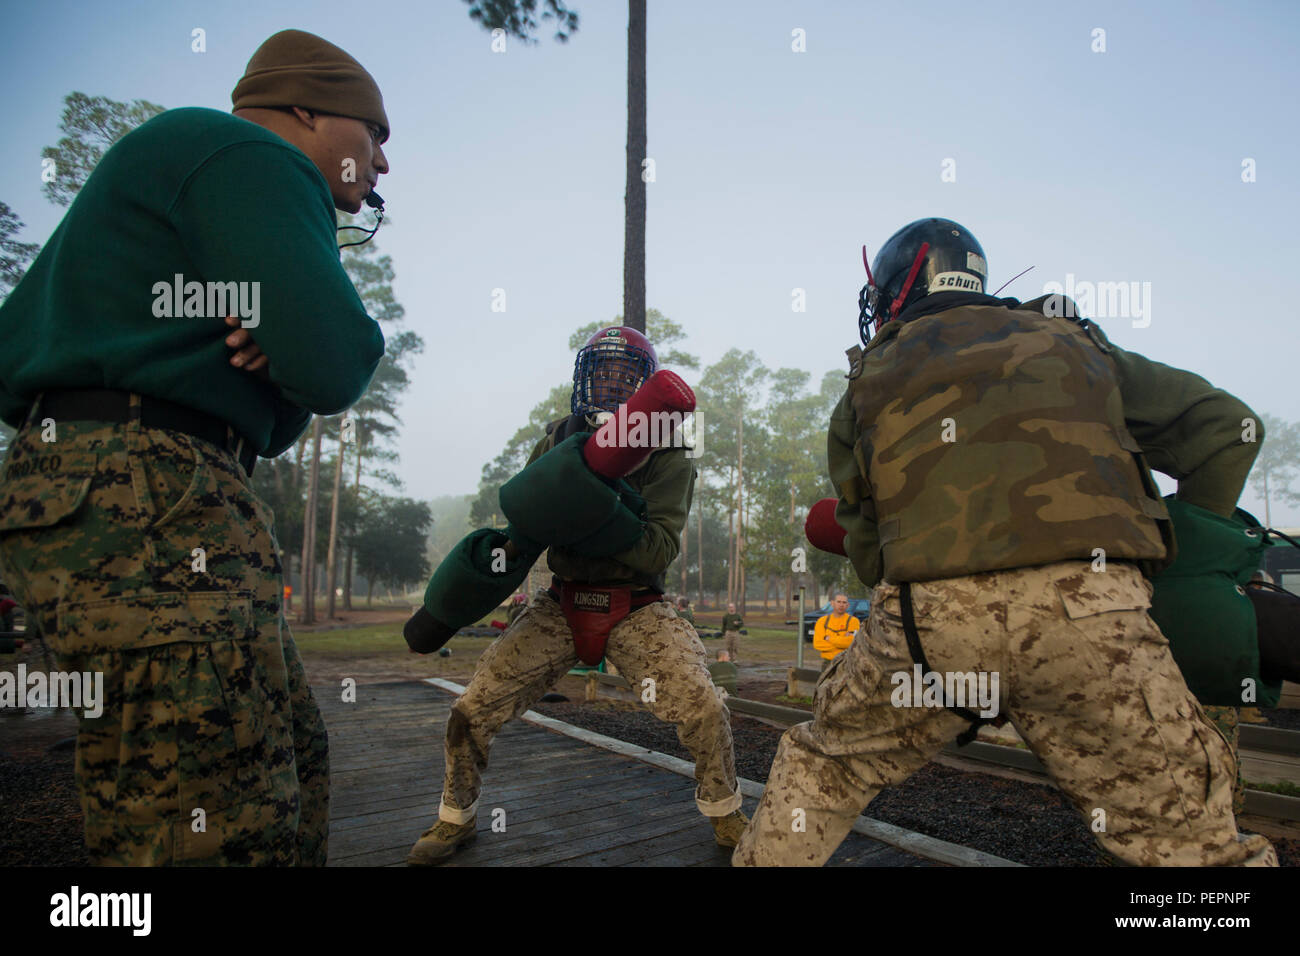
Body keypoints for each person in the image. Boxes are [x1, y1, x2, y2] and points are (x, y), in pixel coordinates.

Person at [735, 217, 1276, 867]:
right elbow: (1228, 427)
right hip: (1092, 616)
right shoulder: (1073, 344)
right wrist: (1181, 561)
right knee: (1191, 843)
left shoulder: (867, 381)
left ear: (890, 297)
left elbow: (874, 557)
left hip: (932, 626)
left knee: (824, 771)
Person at [0, 29, 390, 865]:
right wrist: (306, 345)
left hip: (153, 486)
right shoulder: (240, 151)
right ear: (306, 110)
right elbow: (333, 359)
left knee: (280, 757)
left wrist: (272, 359)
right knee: (206, 810)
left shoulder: (197, 187)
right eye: (376, 134)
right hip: (145, 492)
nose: (383, 164)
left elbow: (280, 424)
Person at [408, 326, 746, 864]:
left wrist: (595, 508)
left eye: (623, 375)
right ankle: (456, 819)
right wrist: (475, 578)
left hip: (637, 604)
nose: (610, 384)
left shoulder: (669, 447)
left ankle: (726, 814)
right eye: (601, 371)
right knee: (471, 710)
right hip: (561, 603)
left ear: (641, 386)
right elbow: (530, 523)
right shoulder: (557, 438)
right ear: (583, 377)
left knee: (704, 706)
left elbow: (657, 548)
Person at [813, 593, 860, 669]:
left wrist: (829, 639)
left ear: (848, 605)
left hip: (847, 663)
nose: (841, 605)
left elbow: (851, 643)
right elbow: (818, 644)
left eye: (844, 602)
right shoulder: (822, 621)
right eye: (838, 602)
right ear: (832, 603)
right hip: (827, 663)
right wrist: (842, 644)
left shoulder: (853, 621)